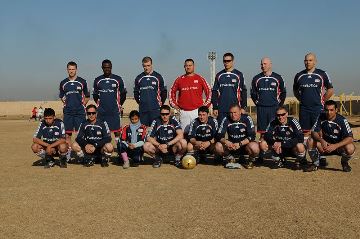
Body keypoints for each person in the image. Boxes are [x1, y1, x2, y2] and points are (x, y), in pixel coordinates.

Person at [306, 100, 355, 172]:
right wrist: (321, 140)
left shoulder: (342, 120)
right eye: (327, 110)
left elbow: (350, 138)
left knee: (350, 147)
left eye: (331, 110)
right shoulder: (321, 117)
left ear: (336, 110)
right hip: (324, 146)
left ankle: (344, 163)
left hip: (338, 148)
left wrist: (335, 146)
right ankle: (315, 164)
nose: (329, 112)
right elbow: (314, 132)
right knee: (310, 140)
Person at [293, 53, 334, 139]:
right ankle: (306, 151)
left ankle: (319, 150)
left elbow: (330, 90)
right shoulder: (299, 75)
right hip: (304, 109)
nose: (308, 62)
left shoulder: (322, 74)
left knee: (319, 131)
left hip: (317, 108)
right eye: (306, 60)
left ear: (315, 62)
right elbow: (295, 91)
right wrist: (301, 100)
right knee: (305, 132)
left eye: (310, 60)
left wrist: (322, 100)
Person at [169, 58, 211, 133]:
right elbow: (171, 92)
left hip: (197, 111)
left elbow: (209, 92)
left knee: (199, 132)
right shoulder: (179, 79)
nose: (188, 67)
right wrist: (174, 105)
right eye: (186, 65)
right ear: (184, 67)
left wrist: (205, 106)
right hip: (183, 112)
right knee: (185, 133)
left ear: (194, 66)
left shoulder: (200, 78)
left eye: (190, 65)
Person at [215, 104, 259, 169]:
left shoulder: (247, 118)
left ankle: (250, 160)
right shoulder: (226, 119)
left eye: (235, 112)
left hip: (244, 146)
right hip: (231, 146)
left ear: (240, 112)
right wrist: (226, 142)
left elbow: (252, 136)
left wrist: (240, 144)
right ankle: (230, 159)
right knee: (218, 146)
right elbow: (219, 135)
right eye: (231, 113)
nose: (233, 115)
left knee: (255, 147)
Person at [93, 59, 127, 143]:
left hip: (114, 111)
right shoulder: (97, 80)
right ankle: (102, 152)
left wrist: (119, 104)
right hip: (102, 112)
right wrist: (100, 105)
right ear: (102, 68)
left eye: (108, 67)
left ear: (111, 67)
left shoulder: (118, 79)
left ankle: (119, 151)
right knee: (101, 132)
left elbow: (123, 94)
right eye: (105, 67)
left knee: (117, 132)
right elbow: (95, 95)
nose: (107, 69)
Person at [251, 57, 286, 134]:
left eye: (265, 64)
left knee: (275, 131)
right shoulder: (256, 78)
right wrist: (258, 103)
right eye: (261, 64)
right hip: (261, 109)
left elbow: (283, 92)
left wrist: (279, 105)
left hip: (274, 108)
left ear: (270, 64)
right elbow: (253, 93)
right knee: (263, 133)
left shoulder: (278, 77)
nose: (263, 66)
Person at [59, 61, 90, 148]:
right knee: (67, 135)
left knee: (81, 134)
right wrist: (66, 104)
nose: (71, 71)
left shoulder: (82, 81)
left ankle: (81, 153)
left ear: (76, 70)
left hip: (80, 112)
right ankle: (68, 154)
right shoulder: (63, 83)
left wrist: (83, 104)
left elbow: (87, 96)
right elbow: (62, 96)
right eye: (70, 69)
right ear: (67, 70)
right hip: (68, 112)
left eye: (73, 69)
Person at [212, 52, 247, 123]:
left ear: (232, 61)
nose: (226, 63)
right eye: (224, 61)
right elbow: (214, 92)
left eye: (228, 61)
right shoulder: (219, 75)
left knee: (235, 132)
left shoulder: (239, 74)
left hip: (235, 110)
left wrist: (243, 107)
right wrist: (215, 107)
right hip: (222, 109)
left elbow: (243, 91)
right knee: (221, 132)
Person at [134, 56, 167, 126]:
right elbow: (136, 93)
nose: (146, 68)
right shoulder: (139, 78)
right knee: (143, 131)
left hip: (155, 110)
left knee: (155, 131)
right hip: (143, 110)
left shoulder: (158, 77)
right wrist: (141, 103)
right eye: (144, 66)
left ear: (152, 65)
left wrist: (159, 104)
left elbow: (164, 92)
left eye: (148, 65)